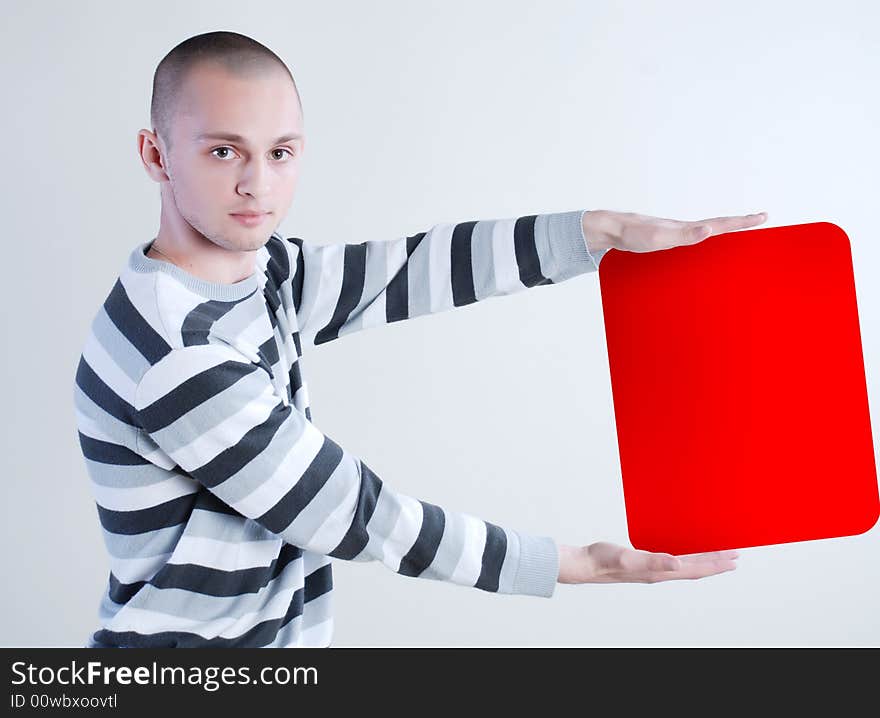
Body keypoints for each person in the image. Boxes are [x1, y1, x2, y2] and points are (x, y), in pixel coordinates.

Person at [73, 30, 765, 648]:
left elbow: (411, 269)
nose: (258, 184)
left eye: (280, 152)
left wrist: (608, 234)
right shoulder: (178, 354)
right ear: (156, 155)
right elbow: (363, 517)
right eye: (224, 151)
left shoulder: (261, 271)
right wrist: (582, 563)